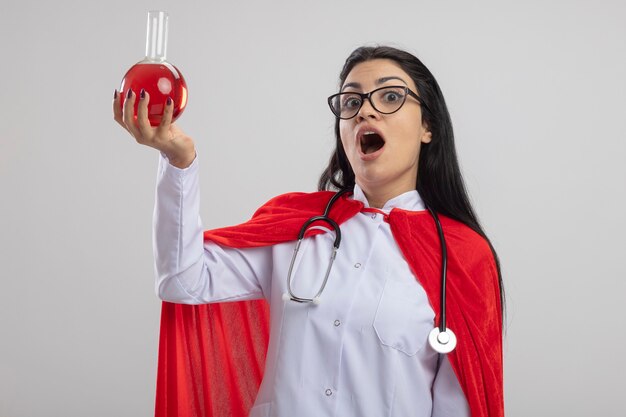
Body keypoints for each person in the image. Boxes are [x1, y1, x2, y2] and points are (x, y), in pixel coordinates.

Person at [113, 45, 504, 417]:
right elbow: (183, 280)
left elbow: (460, 405)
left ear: (427, 127)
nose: (366, 112)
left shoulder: (463, 256)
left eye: (389, 98)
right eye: (352, 102)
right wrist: (179, 162)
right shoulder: (297, 226)